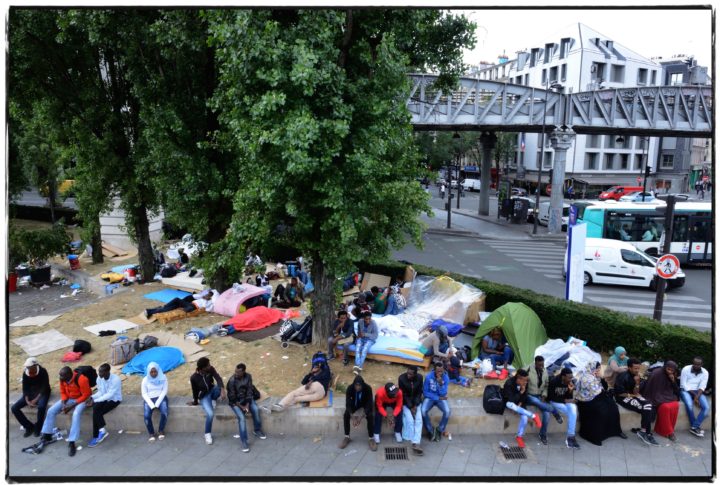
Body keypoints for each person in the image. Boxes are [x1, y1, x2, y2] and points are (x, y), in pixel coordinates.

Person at [40, 367, 92, 457]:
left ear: (69, 375)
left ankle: (72, 442)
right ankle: (47, 435)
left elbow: (86, 394)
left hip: (82, 400)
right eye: (60, 375)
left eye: (62, 375)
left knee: (76, 414)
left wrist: (72, 405)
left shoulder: (82, 379)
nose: (60, 377)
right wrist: (64, 402)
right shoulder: (62, 379)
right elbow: (62, 391)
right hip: (69, 399)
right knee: (51, 410)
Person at [575, 362, 626, 446]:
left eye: (599, 368)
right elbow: (594, 391)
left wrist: (601, 377)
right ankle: (594, 437)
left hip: (596, 397)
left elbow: (604, 388)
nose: (598, 370)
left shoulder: (595, 376)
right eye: (597, 368)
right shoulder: (586, 377)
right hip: (585, 401)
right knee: (600, 411)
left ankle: (616, 431)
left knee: (613, 407)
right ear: (591, 368)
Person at [614, 358, 659, 446]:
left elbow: (635, 391)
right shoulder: (622, 376)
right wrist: (635, 396)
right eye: (635, 368)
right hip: (622, 398)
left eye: (638, 368)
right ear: (629, 367)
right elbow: (619, 394)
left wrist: (637, 382)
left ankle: (644, 431)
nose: (637, 370)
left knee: (649, 405)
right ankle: (646, 432)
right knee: (646, 407)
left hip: (633, 396)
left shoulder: (636, 376)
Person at [226, 363, 266, 453]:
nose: (236, 373)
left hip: (246, 399)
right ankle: (244, 441)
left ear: (243, 372)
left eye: (238, 372)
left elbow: (249, 391)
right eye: (235, 371)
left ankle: (257, 430)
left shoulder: (248, 377)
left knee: (255, 409)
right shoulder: (232, 381)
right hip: (235, 402)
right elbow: (232, 397)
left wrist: (247, 404)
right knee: (241, 418)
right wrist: (242, 407)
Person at [523, 355, 562, 445]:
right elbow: (519, 377)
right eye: (540, 365)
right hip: (529, 395)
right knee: (536, 401)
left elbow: (546, 385)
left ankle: (542, 434)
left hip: (540, 396)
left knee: (546, 414)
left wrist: (544, 395)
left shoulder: (544, 370)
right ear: (535, 363)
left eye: (543, 364)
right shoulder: (528, 369)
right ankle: (555, 411)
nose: (542, 367)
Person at [188, 357, 226, 445]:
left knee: (219, 388)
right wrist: (195, 402)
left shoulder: (211, 369)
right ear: (203, 368)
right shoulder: (194, 377)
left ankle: (213, 399)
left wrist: (223, 390)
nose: (210, 366)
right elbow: (195, 391)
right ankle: (207, 433)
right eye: (208, 365)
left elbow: (218, 378)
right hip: (204, 396)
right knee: (210, 414)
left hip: (212, 390)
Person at [502, 368, 542, 449]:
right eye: (524, 380)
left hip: (520, 404)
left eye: (527, 380)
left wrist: (519, 405)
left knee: (524, 418)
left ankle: (519, 437)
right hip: (509, 402)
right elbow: (511, 400)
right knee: (510, 404)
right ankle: (533, 416)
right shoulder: (509, 383)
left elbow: (524, 396)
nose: (526, 382)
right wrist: (520, 392)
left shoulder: (524, 384)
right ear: (518, 378)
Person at [642, 361, 680, 442]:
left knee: (676, 404)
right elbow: (650, 389)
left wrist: (673, 380)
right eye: (668, 369)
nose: (670, 371)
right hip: (655, 396)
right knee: (665, 407)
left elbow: (676, 390)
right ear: (665, 367)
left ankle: (668, 429)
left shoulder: (672, 374)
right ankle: (669, 432)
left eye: (672, 370)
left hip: (667, 395)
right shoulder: (656, 373)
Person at [12, 357, 50, 438]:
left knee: (42, 406)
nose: (28, 368)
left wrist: (36, 399)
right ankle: (29, 427)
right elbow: (25, 388)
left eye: (30, 367)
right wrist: (27, 400)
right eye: (27, 367)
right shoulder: (25, 373)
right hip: (30, 393)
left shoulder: (43, 371)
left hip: (43, 392)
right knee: (14, 408)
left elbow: (44, 387)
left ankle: (38, 427)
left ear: (35, 365)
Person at [87, 363, 122, 448]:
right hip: (104, 398)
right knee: (96, 409)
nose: (99, 374)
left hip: (114, 399)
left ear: (107, 372)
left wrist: (95, 401)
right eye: (99, 371)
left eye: (101, 372)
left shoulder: (116, 380)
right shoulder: (99, 378)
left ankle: (98, 435)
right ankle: (101, 431)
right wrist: (92, 397)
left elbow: (110, 395)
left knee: (96, 412)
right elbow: (101, 392)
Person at [547, 368, 580, 449]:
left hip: (564, 402)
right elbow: (551, 397)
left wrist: (570, 391)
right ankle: (570, 438)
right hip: (554, 402)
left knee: (573, 407)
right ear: (563, 376)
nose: (570, 379)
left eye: (571, 377)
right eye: (569, 377)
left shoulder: (569, 382)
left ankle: (570, 436)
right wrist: (566, 400)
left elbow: (568, 397)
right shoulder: (554, 382)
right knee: (572, 414)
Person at [340, 376, 376, 451]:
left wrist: (362, 416)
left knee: (370, 416)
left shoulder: (368, 388)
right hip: (354, 404)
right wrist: (352, 416)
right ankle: (347, 437)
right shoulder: (350, 388)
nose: (358, 387)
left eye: (359, 385)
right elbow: (347, 403)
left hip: (365, 403)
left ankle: (371, 438)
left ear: (363, 385)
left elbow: (369, 403)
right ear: (354, 385)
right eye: (356, 385)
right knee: (346, 415)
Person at [421, 362, 451, 442]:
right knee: (423, 411)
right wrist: (438, 397)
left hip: (440, 398)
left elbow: (444, 393)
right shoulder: (428, 377)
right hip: (431, 398)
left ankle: (439, 430)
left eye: (442, 371)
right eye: (438, 371)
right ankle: (430, 431)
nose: (440, 373)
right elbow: (425, 392)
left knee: (447, 411)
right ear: (434, 370)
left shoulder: (446, 378)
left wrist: (441, 384)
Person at [680, 357, 709, 437]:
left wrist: (697, 396)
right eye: (694, 364)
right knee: (689, 405)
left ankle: (694, 427)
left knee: (706, 407)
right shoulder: (686, 369)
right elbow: (683, 384)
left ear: (702, 365)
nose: (696, 366)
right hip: (685, 390)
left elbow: (702, 386)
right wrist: (695, 396)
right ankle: (695, 427)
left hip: (698, 391)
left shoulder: (705, 372)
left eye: (698, 364)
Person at [398, 366, 424, 455]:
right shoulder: (401, 378)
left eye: (411, 374)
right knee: (410, 420)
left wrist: (415, 405)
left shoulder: (420, 378)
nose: (408, 375)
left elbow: (419, 392)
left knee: (419, 420)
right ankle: (413, 441)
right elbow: (403, 395)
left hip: (416, 403)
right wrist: (410, 406)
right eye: (408, 373)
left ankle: (415, 443)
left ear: (415, 374)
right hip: (406, 403)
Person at [142, 362, 169, 442]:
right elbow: (144, 393)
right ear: (148, 372)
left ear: (158, 370)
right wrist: (151, 404)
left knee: (164, 412)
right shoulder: (145, 380)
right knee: (147, 416)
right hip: (149, 399)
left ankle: (161, 430)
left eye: (155, 371)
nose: (153, 373)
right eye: (151, 372)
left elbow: (164, 391)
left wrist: (157, 403)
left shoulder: (163, 377)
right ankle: (151, 433)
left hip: (161, 397)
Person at [144, 289, 218, 318]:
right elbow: (194, 296)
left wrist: (206, 299)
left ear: (210, 296)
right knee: (169, 308)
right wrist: (203, 295)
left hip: (192, 307)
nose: (205, 295)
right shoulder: (202, 297)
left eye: (207, 295)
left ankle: (159, 308)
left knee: (176, 299)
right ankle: (150, 311)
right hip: (189, 304)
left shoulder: (210, 301)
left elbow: (205, 307)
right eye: (206, 294)